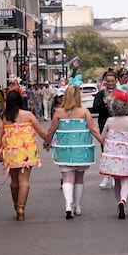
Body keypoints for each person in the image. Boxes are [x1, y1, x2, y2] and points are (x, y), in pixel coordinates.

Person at [47, 79, 104, 219]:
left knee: (67, 178)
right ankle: (77, 207)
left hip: (64, 150)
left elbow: (51, 130)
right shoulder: (84, 112)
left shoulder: (59, 112)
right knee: (79, 179)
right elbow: (93, 130)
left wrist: (46, 142)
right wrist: (104, 142)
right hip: (82, 150)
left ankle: (68, 205)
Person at [0, 87, 48, 221]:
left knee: (14, 182)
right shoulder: (28, 115)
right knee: (24, 181)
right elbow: (41, 132)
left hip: (11, 152)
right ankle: (21, 207)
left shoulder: (4, 117)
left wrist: (0, 153)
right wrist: (47, 141)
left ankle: (16, 206)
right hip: (27, 152)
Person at [99, 89, 128, 219]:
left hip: (113, 156)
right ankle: (123, 200)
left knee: (117, 181)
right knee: (126, 180)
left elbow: (103, 137)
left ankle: (119, 203)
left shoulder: (110, 121)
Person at [92, 69, 118, 189]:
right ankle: (106, 175)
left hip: (119, 126)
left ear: (116, 81)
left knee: (116, 152)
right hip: (105, 125)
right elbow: (95, 108)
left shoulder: (121, 93)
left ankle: (115, 175)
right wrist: (104, 102)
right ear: (105, 82)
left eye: (112, 81)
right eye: (108, 81)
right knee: (106, 152)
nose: (110, 83)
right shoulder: (100, 94)